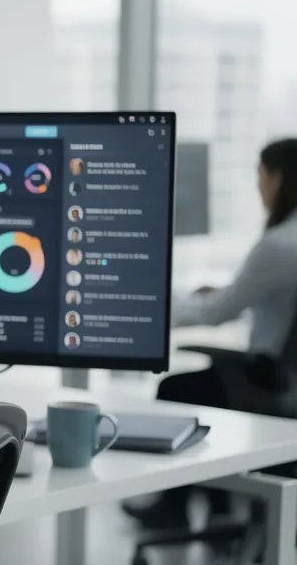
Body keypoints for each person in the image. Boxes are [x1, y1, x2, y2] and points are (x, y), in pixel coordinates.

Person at [124, 138, 297, 529]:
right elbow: (253, 297)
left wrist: (152, 311)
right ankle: (218, 508)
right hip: (286, 379)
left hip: (269, 381)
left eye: (261, 174)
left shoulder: (278, 245)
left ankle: (175, 507)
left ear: (279, 177)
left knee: (176, 390)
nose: (258, 186)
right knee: (201, 388)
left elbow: (218, 313)